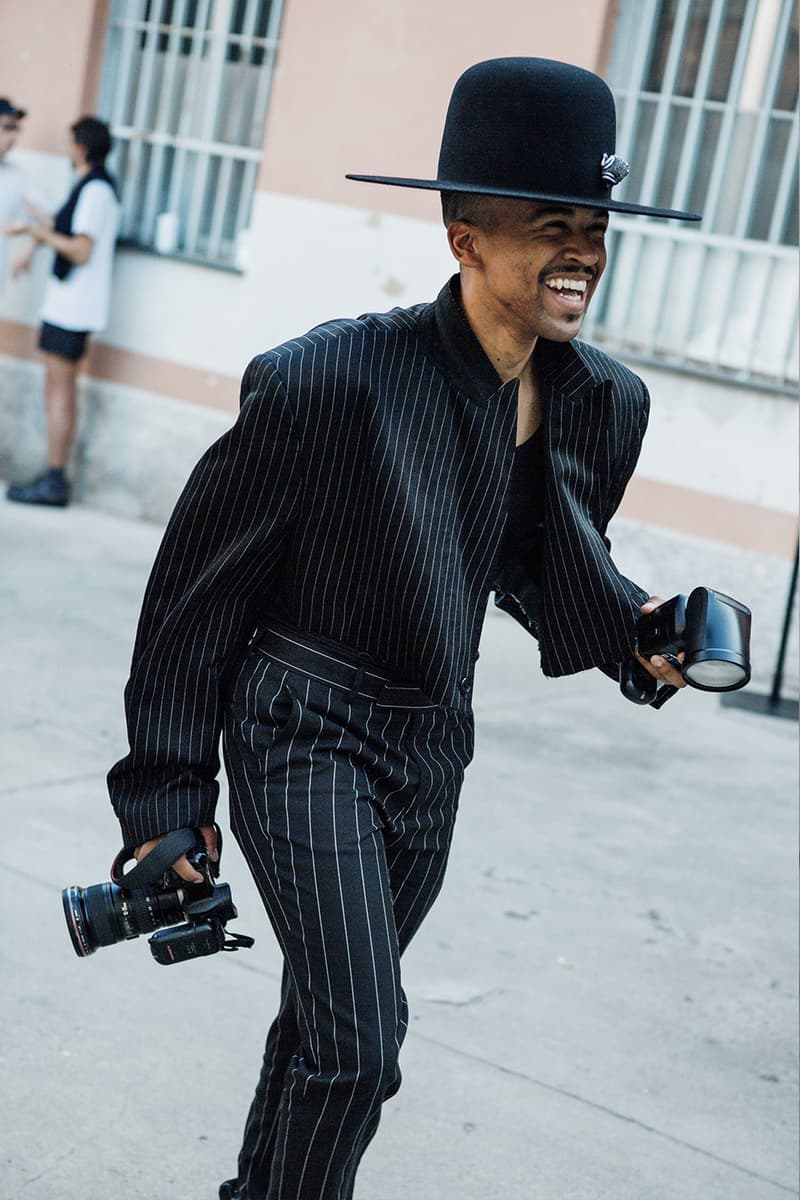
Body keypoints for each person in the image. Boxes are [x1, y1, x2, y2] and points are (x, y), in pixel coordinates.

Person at [107, 59, 698, 1200]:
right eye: (545, 226)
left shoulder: (599, 400)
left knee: (324, 1028)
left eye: (592, 224)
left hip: (433, 746)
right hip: (302, 728)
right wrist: (164, 799)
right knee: (361, 1047)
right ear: (464, 240)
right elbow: (196, 597)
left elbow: (530, 563)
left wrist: (640, 634)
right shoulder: (329, 380)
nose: (579, 248)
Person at [5, 115, 119, 507]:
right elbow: (68, 231)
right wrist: (39, 220)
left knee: (59, 391)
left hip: (74, 309)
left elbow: (80, 249)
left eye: (71, 143)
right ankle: (52, 474)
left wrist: (35, 234)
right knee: (54, 389)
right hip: (65, 307)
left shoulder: (96, 191)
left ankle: (55, 479)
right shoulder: (89, 188)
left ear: (82, 148)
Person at [0, 97, 46, 292]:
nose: (14, 137)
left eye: (17, 130)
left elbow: (49, 218)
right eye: (8, 128)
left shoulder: (16, 177)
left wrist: (30, 244)